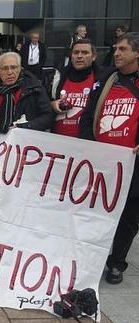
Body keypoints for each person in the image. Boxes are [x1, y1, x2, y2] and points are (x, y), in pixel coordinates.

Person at [80, 32, 139, 285]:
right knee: (98, 211)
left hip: (133, 164)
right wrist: (87, 147)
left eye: (123, 49)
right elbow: (88, 114)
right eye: (116, 48)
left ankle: (117, 263)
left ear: (137, 53)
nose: (116, 53)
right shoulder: (106, 78)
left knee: (129, 217)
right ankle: (94, 256)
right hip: (102, 161)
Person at [0, 52, 54, 135]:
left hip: (23, 143)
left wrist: (23, 127)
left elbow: (48, 117)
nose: (10, 72)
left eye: (13, 67)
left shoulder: (34, 88)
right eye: (5, 68)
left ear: (20, 69)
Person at [49, 39, 102, 138]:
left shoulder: (102, 79)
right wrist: (52, 104)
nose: (79, 56)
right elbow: (44, 105)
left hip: (87, 143)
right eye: (76, 52)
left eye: (85, 52)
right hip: (58, 142)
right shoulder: (58, 76)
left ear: (94, 56)